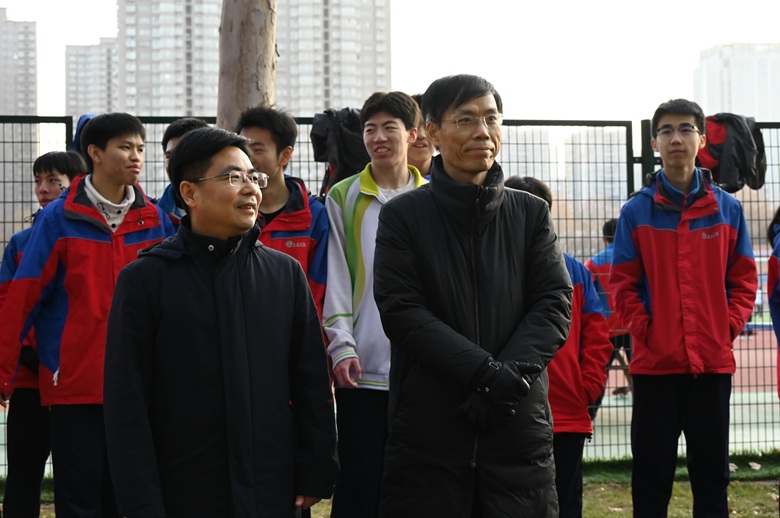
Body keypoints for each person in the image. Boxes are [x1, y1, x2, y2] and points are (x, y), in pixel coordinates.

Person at [104, 127, 338, 517]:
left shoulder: (284, 275)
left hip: (273, 488)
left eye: (254, 177)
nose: (251, 189)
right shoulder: (146, 280)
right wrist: (141, 502)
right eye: (233, 177)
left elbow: (311, 380)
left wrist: (316, 468)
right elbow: (127, 403)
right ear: (189, 192)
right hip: (185, 491)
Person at [372, 74, 572, 517]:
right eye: (466, 120)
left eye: (491, 119)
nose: (483, 132)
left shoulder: (530, 213)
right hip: (431, 425)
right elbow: (402, 311)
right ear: (432, 132)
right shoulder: (404, 215)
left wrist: (505, 378)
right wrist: (484, 374)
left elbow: (554, 302)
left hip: (516, 419)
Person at [0, 112, 175, 517]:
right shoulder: (58, 219)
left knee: (125, 495)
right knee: (78, 497)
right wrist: (5, 370)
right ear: (95, 152)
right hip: (73, 384)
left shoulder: (156, 220)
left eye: (140, 148)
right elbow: (24, 295)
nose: (136, 157)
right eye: (125, 147)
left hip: (137, 384)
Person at [610, 98, 757, 518]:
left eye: (686, 129)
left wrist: (725, 327)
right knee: (651, 478)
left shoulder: (728, 209)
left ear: (702, 139)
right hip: (655, 367)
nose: (676, 138)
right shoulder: (636, 211)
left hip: (711, 364)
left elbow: (744, 280)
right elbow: (622, 284)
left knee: (712, 478)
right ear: (655, 143)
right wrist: (649, 332)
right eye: (667, 130)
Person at [322, 91, 425, 518]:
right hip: (361, 370)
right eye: (370, 129)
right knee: (360, 482)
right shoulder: (342, 196)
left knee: (419, 484)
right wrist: (341, 346)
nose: (378, 137)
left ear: (413, 134)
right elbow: (337, 276)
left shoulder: (435, 197)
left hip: (424, 369)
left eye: (389, 128)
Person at [504, 176, 612, 518]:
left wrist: (587, 387)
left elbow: (597, 336)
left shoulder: (575, 270)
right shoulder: (492, 265)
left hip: (565, 410)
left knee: (564, 500)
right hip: (508, 409)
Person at [0, 150, 85, 517]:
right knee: (23, 472)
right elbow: (9, 303)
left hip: (73, 379)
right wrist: (23, 352)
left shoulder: (85, 240)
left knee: (76, 476)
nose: (43, 189)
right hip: (28, 378)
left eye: (53, 181)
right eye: (38, 181)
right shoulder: (20, 243)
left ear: (76, 184)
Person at [236, 106, 328, 317]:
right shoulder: (231, 211)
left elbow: (319, 285)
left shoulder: (313, 215)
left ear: (285, 155)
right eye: (243, 150)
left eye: (257, 149)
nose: (248, 158)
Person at [585, 218, 632, 419]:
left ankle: (589, 416)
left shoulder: (593, 263)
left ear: (604, 238)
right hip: (631, 325)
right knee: (642, 373)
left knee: (600, 374)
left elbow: (587, 295)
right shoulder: (632, 258)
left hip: (607, 328)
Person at [158, 117, 210, 225]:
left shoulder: (226, 213)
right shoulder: (155, 216)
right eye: (169, 156)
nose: (173, 164)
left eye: (182, 155)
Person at [407, 94, 435, 177]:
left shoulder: (457, 178)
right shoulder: (379, 178)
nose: (421, 135)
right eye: (413, 127)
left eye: (428, 126)